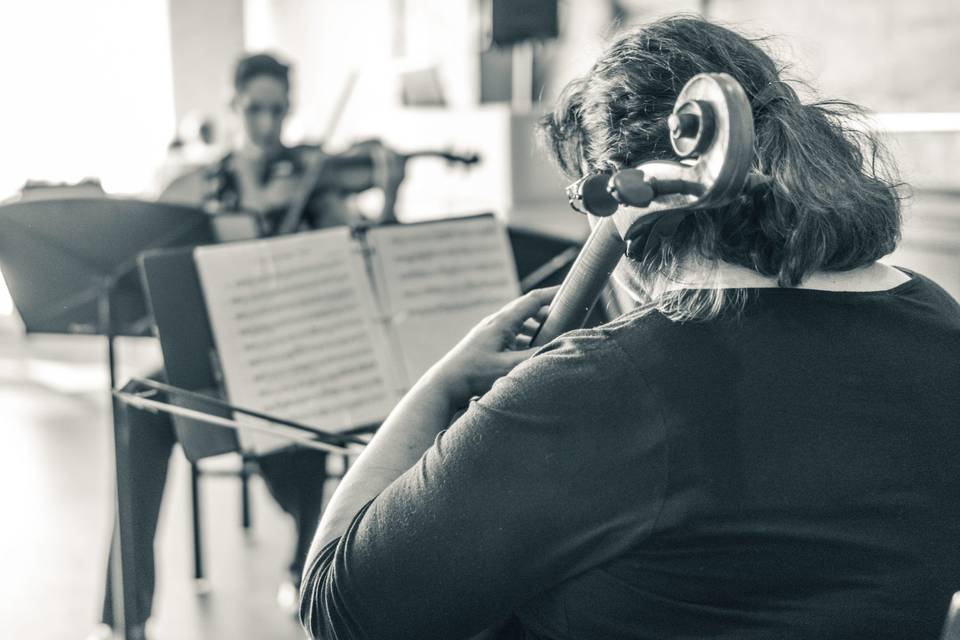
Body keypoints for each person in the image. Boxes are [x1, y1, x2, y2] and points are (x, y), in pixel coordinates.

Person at [298, 16, 960, 640]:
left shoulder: (605, 387)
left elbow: (338, 605)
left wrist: (440, 387)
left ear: (617, 195)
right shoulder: (939, 325)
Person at [95, 53, 405, 640]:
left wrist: (388, 196)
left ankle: (308, 560)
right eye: (254, 110)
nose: (267, 125)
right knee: (138, 403)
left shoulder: (316, 187)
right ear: (234, 106)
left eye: (277, 110)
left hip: (295, 355)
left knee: (313, 410)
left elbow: (370, 261)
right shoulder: (199, 186)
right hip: (214, 359)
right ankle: (126, 613)